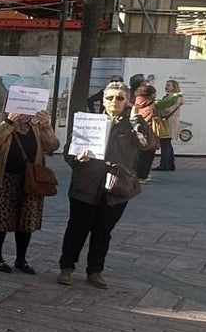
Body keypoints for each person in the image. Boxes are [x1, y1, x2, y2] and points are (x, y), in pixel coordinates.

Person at [58, 81, 152, 289]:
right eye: (110, 97)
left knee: (103, 231)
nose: (114, 102)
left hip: (116, 188)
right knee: (77, 229)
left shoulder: (131, 125)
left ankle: (95, 271)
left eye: (120, 98)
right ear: (103, 100)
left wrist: (136, 117)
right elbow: (69, 151)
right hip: (85, 185)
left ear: (127, 101)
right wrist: (76, 158)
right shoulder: (90, 122)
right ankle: (66, 268)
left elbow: (147, 143)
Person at [0, 107, 59, 275]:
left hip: (30, 179)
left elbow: (52, 146)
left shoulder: (36, 124)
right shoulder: (0, 118)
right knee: (0, 219)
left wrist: (46, 126)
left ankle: (21, 259)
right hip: (3, 177)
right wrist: (8, 123)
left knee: (26, 221)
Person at [153, 79, 183, 172]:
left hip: (168, 122)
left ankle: (164, 165)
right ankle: (170, 164)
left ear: (174, 87)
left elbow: (167, 110)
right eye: (166, 85)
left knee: (165, 144)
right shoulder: (171, 97)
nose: (166, 87)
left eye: (169, 85)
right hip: (169, 122)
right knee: (167, 144)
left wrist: (157, 110)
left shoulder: (174, 97)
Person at [132, 84, 158, 183]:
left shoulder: (137, 102)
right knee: (148, 154)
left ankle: (136, 174)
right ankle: (142, 176)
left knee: (139, 154)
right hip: (150, 130)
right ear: (151, 94)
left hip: (138, 130)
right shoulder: (153, 104)